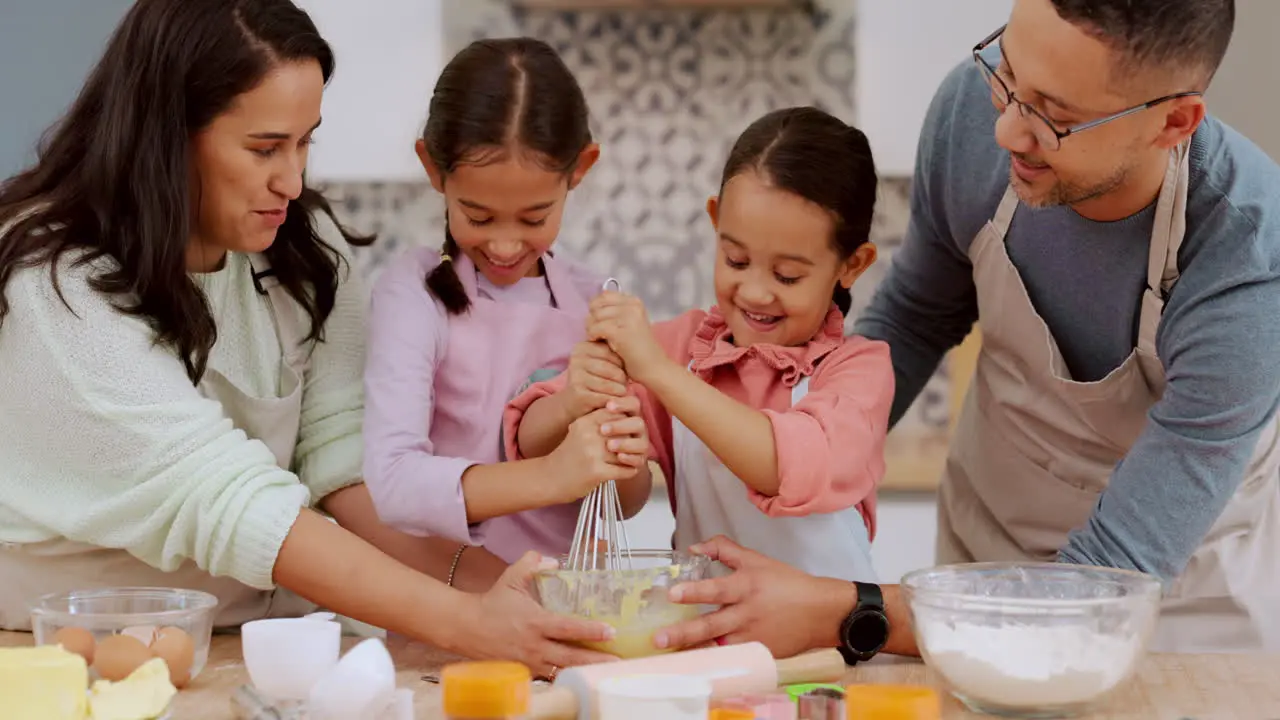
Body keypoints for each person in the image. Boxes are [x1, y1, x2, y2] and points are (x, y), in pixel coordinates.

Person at [0, 0, 616, 676]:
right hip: (47, 653)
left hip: (247, 637)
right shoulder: (57, 284)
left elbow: (342, 468)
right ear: (169, 132)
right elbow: (225, 500)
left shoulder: (303, 253)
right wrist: (470, 623)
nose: (293, 182)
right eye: (265, 148)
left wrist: (515, 597)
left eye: (305, 142)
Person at [658, 0, 1280, 659]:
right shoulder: (971, 113)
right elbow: (918, 316)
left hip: (1174, 602)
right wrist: (800, 446)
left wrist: (840, 608)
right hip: (985, 547)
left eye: (1053, 117)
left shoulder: (1248, 261)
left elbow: (1109, 583)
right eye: (1006, 71)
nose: (1007, 129)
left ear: (1173, 122)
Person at [506, 107, 894, 583]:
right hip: (707, 636)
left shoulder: (859, 373)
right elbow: (530, 440)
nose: (754, 291)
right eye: (736, 259)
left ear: (852, 265)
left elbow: (787, 465)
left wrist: (656, 372)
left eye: (787, 275)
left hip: (828, 647)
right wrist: (576, 402)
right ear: (715, 221)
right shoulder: (678, 348)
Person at [361, 38, 653, 588]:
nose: (503, 244)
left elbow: (627, 501)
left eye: (534, 216)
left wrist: (624, 451)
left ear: (580, 170)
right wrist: (550, 476)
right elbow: (393, 484)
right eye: (477, 214)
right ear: (433, 168)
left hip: (572, 612)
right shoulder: (414, 294)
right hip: (451, 615)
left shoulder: (596, 302)